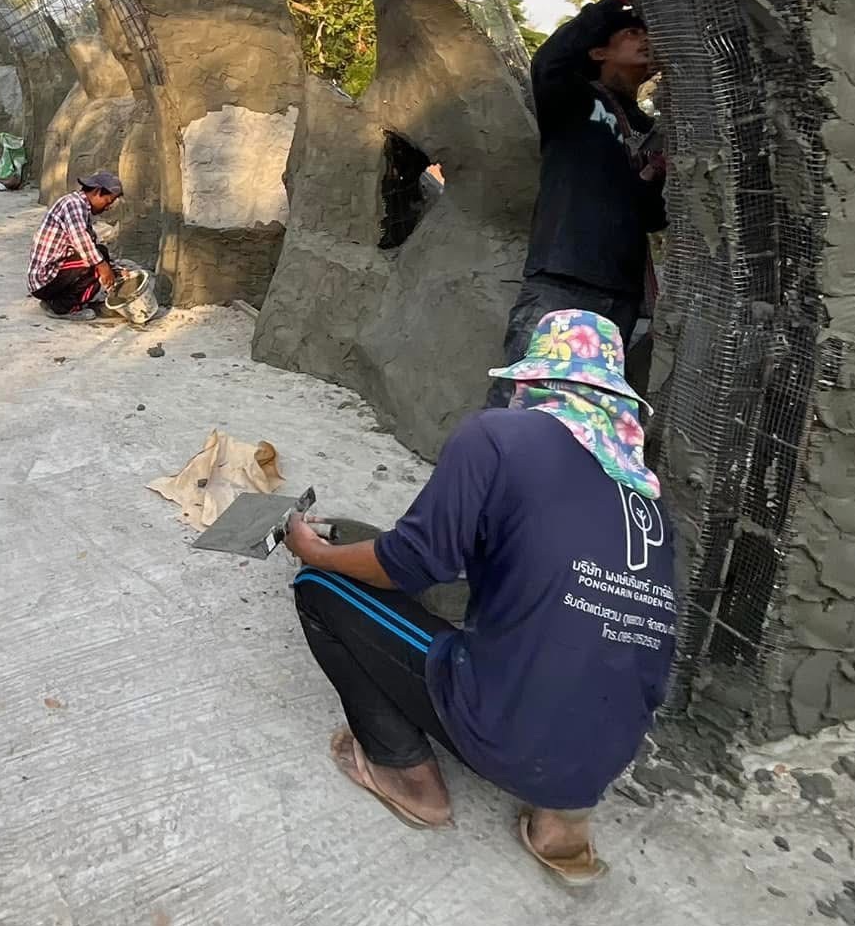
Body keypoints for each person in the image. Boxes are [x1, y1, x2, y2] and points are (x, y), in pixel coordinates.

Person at [283, 310, 675, 886]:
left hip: (510, 736)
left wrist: (314, 551)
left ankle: (408, 779)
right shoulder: (647, 498)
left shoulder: (498, 435)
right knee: (582, 634)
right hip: (603, 760)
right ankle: (561, 827)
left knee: (321, 588)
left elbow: (409, 565)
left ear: (534, 381)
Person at [490, 0, 666, 403]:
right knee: (521, 396)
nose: (643, 39)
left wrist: (652, 178)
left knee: (587, 406)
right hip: (563, 277)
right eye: (630, 33)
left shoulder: (646, 130)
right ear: (597, 52)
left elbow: (653, 218)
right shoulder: (570, 96)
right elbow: (551, 57)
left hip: (621, 293)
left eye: (647, 34)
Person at [27, 171, 123, 320]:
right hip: (45, 279)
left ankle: (62, 300)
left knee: (100, 255)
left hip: (51, 275)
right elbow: (82, 241)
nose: (108, 207)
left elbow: (91, 243)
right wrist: (104, 267)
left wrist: (117, 270)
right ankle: (62, 306)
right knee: (96, 260)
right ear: (97, 192)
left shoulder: (80, 207)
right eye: (108, 201)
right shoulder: (73, 205)